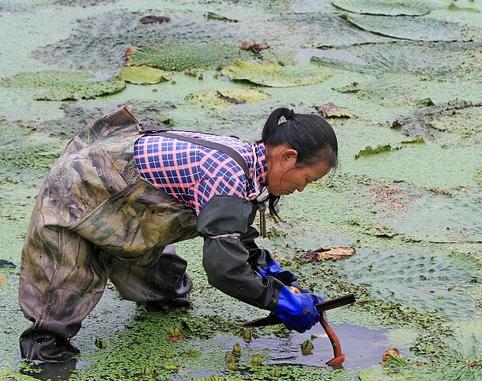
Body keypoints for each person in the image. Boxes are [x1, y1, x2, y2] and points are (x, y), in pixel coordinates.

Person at [18, 106, 338, 363]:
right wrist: (277, 301)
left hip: (135, 207)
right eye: (306, 179)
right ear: (288, 157)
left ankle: (153, 293)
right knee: (57, 310)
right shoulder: (227, 174)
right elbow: (224, 269)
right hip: (80, 187)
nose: (300, 188)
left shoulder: (249, 167)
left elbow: (235, 236)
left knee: (164, 291)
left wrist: (280, 280)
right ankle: (45, 366)